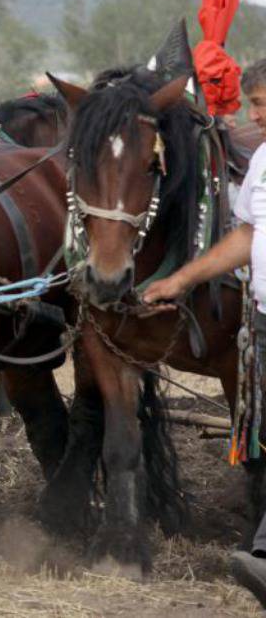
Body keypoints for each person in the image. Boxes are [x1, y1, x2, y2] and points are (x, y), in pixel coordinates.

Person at [141, 58, 266, 608]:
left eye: (261, 104)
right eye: (254, 103)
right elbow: (246, 236)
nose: (254, 116)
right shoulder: (261, 161)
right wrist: (182, 279)